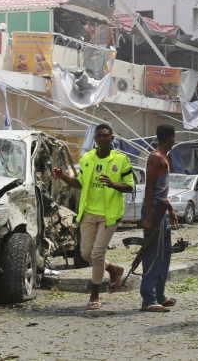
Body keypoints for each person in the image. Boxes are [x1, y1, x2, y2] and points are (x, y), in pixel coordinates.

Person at [52, 123, 133, 310]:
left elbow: (130, 186)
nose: (102, 139)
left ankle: (95, 295)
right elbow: (79, 184)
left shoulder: (121, 159)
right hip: (88, 212)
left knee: (97, 254)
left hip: (110, 215)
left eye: (106, 135)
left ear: (112, 138)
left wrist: (113, 184)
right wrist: (63, 176)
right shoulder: (87, 158)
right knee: (85, 253)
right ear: (95, 138)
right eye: (99, 136)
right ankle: (114, 269)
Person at [139, 124, 179, 312]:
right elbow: (149, 188)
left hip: (161, 210)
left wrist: (170, 210)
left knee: (164, 255)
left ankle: (159, 295)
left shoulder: (165, 158)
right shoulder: (156, 158)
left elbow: (162, 192)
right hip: (154, 212)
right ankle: (148, 299)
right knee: (153, 256)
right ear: (171, 138)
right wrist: (148, 217)